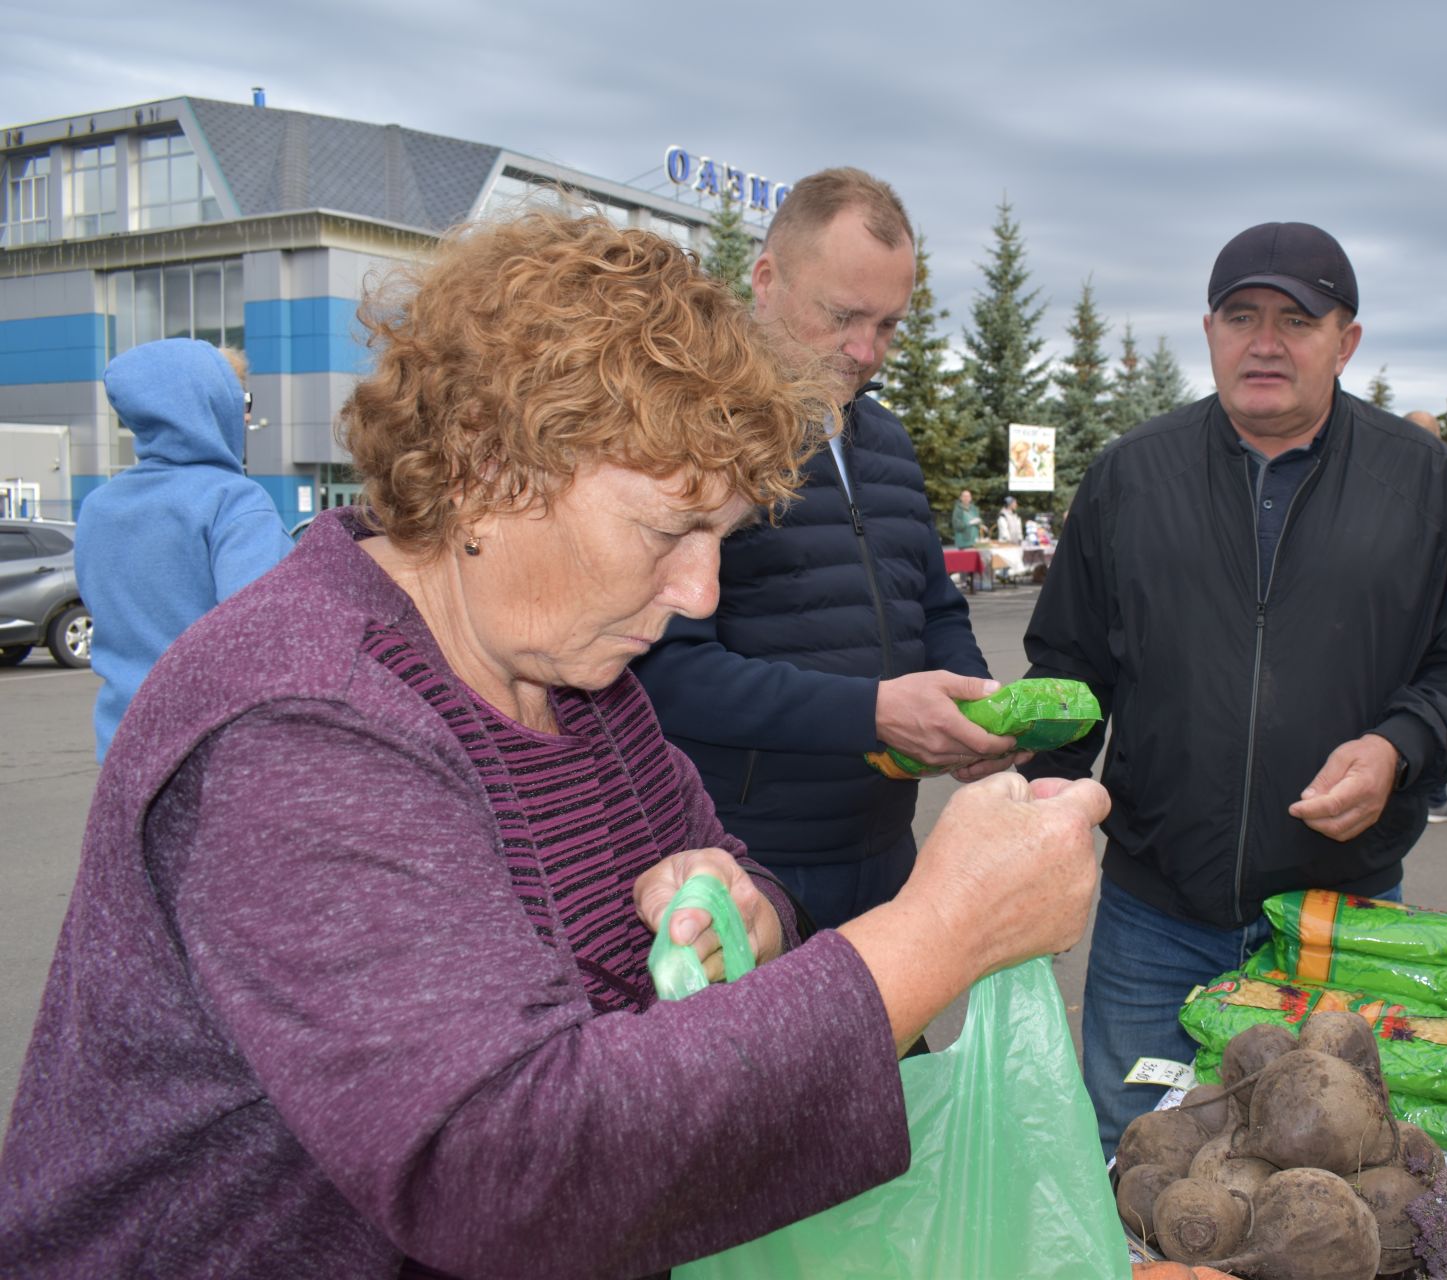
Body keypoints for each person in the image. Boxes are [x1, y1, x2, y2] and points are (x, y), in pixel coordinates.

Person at [0, 211, 1110, 1277]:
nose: (697, 592)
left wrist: (749, 917)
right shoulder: (300, 718)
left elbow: (732, 867)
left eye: (719, 539)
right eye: (668, 530)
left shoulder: (576, 674)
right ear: (488, 465)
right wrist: (939, 933)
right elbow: (492, 1164)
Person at [1019, 220, 1447, 1154]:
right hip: (1153, 916)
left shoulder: (1423, 483)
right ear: (1209, 331)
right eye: (1241, 315)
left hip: (1339, 922)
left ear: (1348, 340)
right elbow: (1068, 672)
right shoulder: (1132, 475)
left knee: (1321, 1177)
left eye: (1297, 319)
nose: (1265, 341)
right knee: (1131, 1153)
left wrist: (1396, 748)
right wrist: (1036, 807)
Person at [633, 168, 1016, 931]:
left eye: (889, 325)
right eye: (843, 315)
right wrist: (871, 713)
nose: (865, 349)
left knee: (893, 1054)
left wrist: (977, 710)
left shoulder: (889, 440)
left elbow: (933, 608)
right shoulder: (690, 436)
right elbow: (662, 672)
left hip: (885, 847)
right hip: (737, 863)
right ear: (766, 280)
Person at [73, 339, 292, 762]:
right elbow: (262, 633)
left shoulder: (100, 506)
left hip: (122, 741)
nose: (246, 415)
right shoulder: (234, 501)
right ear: (213, 405)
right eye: (239, 399)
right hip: (212, 748)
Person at [1404, 409, 1447, 824]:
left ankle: (1435, 796)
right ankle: (1435, 797)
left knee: (1425, 704)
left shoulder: (1440, 484)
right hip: (1414, 618)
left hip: (1425, 617)